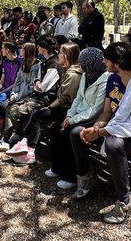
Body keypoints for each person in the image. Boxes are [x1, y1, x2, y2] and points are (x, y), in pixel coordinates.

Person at [70, 42, 131, 224]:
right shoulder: (112, 78)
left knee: (113, 143)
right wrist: (96, 127)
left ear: (116, 62)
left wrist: (101, 133)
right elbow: (108, 112)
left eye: (106, 61)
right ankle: (86, 177)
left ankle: (124, 200)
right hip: (116, 125)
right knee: (78, 132)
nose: (104, 64)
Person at [7, 42, 83, 164]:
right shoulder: (65, 69)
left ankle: (27, 147)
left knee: (37, 115)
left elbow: (64, 98)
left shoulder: (71, 74)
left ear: (67, 56)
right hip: (60, 106)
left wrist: (49, 106)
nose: (58, 55)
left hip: (65, 109)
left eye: (61, 53)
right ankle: (24, 144)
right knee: (30, 113)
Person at [46, 47, 109, 190]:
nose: (81, 66)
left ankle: (71, 176)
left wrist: (72, 121)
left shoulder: (105, 80)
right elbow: (78, 98)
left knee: (68, 133)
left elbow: (96, 109)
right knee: (55, 128)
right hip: (78, 115)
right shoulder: (86, 76)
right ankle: (58, 168)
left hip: (94, 119)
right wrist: (69, 115)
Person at [0, 42, 40, 151]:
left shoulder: (36, 65)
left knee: (10, 108)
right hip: (18, 94)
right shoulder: (23, 63)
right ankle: (8, 137)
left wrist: (17, 96)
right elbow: (18, 81)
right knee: (4, 106)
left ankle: (8, 138)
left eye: (23, 49)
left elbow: (30, 86)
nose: (20, 51)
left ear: (27, 51)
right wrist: (14, 94)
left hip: (28, 96)